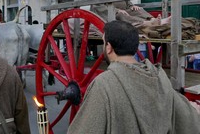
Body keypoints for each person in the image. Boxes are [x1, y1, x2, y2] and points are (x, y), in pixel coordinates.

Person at [67, 20, 200, 134]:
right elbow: (184, 114)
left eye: (103, 42)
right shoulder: (159, 77)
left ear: (108, 47)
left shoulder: (104, 84)